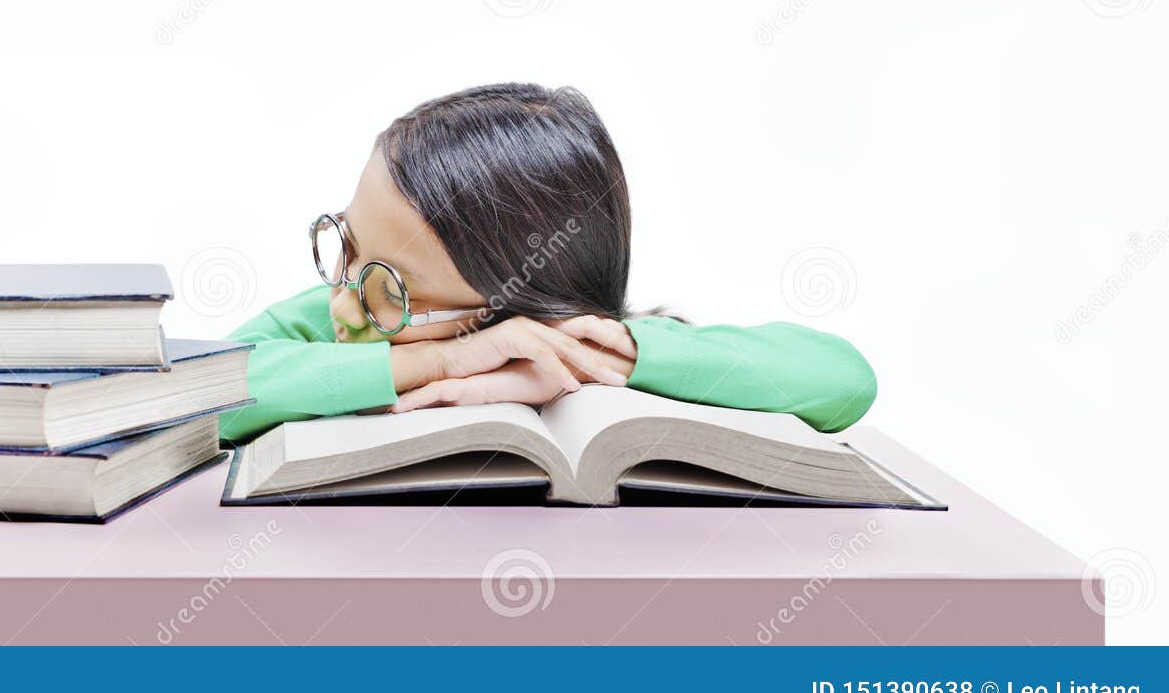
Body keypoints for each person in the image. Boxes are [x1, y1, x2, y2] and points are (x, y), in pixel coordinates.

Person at [219, 82, 876, 444]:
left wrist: (611, 356)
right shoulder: (323, 323)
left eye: (390, 290)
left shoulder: (595, 345)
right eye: (345, 245)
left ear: (514, 320)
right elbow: (197, 398)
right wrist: (438, 359)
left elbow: (844, 379)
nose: (343, 300)